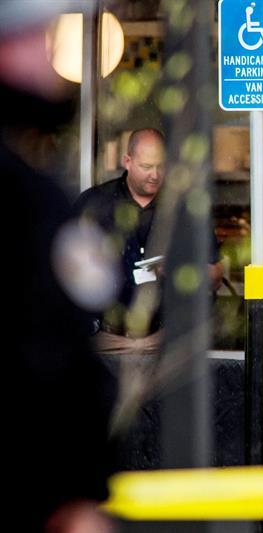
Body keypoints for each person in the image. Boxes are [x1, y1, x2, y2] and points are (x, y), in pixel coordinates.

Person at [2, 3, 117, 531]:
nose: (51, 62)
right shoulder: (25, 196)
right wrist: (76, 493)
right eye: (38, 39)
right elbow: (53, 364)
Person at [74, 128, 224, 355]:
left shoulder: (186, 208)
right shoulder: (94, 203)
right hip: (104, 342)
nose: (155, 175)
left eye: (161, 166)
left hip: (168, 342)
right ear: (127, 161)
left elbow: (217, 275)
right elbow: (63, 271)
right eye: (146, 166)